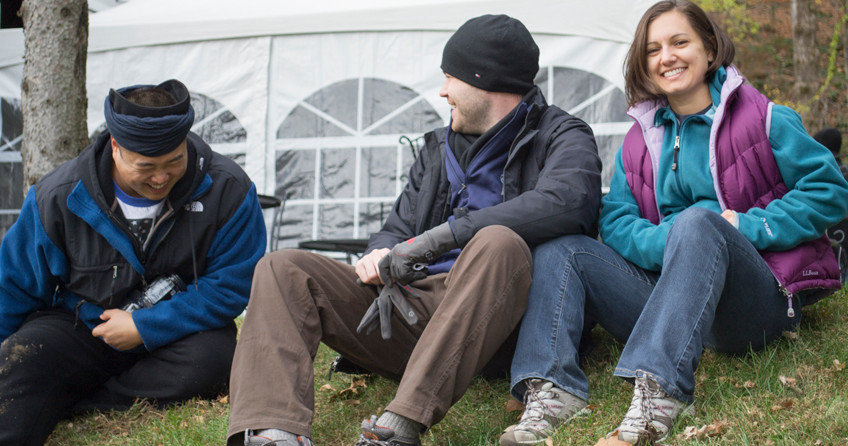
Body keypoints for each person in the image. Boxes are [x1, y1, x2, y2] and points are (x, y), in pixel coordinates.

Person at [226, 14, 602, 446]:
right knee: (281, 267)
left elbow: (569, 202)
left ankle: (400, 424)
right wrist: (381, 252)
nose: (442, 91)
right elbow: (396, 228)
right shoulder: (438, 147)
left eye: (449, 78)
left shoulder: (562, 134)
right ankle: (274, 431)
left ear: (485, 80)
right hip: (415, 313)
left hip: (501, 316)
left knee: (498, 242)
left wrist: (443, 237)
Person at [500, 2, 848, 445]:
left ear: (709, 49)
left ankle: (659, 394)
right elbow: (619, 221)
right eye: (653, 49)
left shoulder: (766, 118)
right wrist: (676, 242)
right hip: (671, 296)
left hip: (756, 298)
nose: (667, 56)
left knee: (699, 223)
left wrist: (747, 225)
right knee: (562, 247)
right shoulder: (638, 139)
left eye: (680, 42)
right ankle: (552, 391)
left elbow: (830, 190)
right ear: (643, 64)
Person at [0, 79, 267, 445]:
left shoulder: (228, 188)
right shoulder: (57, 195)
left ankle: (82, 401)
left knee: (216, 357)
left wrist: (145, 326)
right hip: (82, 326)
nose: (160, 178)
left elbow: (233, 285)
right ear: (115, 146)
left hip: (178, 333)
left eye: (174, 161)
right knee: (22, 359)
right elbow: (13, 285)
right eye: (146, 166)